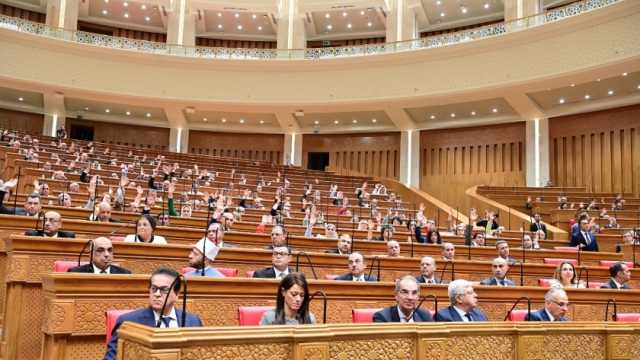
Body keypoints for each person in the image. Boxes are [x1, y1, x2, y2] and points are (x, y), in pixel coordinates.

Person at [104, 267, 203, 360]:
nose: (157, 294)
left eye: (164, 290)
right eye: (154, 289)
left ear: (177, 295)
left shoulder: (193, 321)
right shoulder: (129, 322)